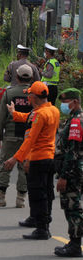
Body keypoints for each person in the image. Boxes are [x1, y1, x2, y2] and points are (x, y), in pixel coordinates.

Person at [4, 81, 60, 240]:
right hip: (49, 157)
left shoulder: (39, 114)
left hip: (38, 158)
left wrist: (15, 158)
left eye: (29, 95)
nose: (28, 97)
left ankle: (42, 228)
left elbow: (30, 140)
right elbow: (28, 118)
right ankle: (40, 219)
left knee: (38, 194)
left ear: (34, 97)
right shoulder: (53, 110)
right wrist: (14, 113)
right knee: (46, 192)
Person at [0, 65, 33, 208]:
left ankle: (0, 197)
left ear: (17, 77)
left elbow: (1, 117)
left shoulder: (9, 93)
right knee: (24, 167)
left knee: (5, 165)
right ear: (31, 78)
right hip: (28, 137)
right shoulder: (35, 95)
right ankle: (21, 199)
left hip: (11, 135)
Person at [53, 88, 83, 257]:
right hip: (73, 169)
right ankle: (73, 241)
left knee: (73, 207)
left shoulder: (76, 122)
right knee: (71, 206)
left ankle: (75, 244)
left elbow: (73, 152)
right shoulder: (73, 119)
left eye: (66, 102)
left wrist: (64, 176)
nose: (63, 105)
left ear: (75, 102)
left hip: (72, 171)